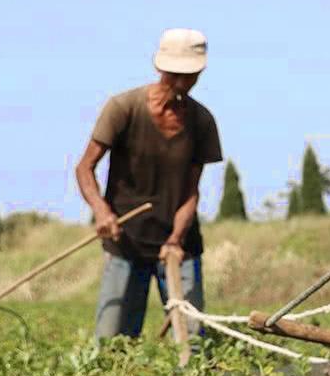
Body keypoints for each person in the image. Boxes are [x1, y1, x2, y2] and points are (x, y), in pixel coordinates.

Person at [75, 28, 223, 339]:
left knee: (193, 339)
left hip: (178, 244)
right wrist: (102, 212)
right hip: (126, 241)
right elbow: (85, 168)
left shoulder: (202, 121)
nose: (182, 83)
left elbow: (191, 192)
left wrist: (175, 239)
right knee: (113, 342)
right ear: (160, 69)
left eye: (190, 76)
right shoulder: (123, 108)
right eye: (175, 75)